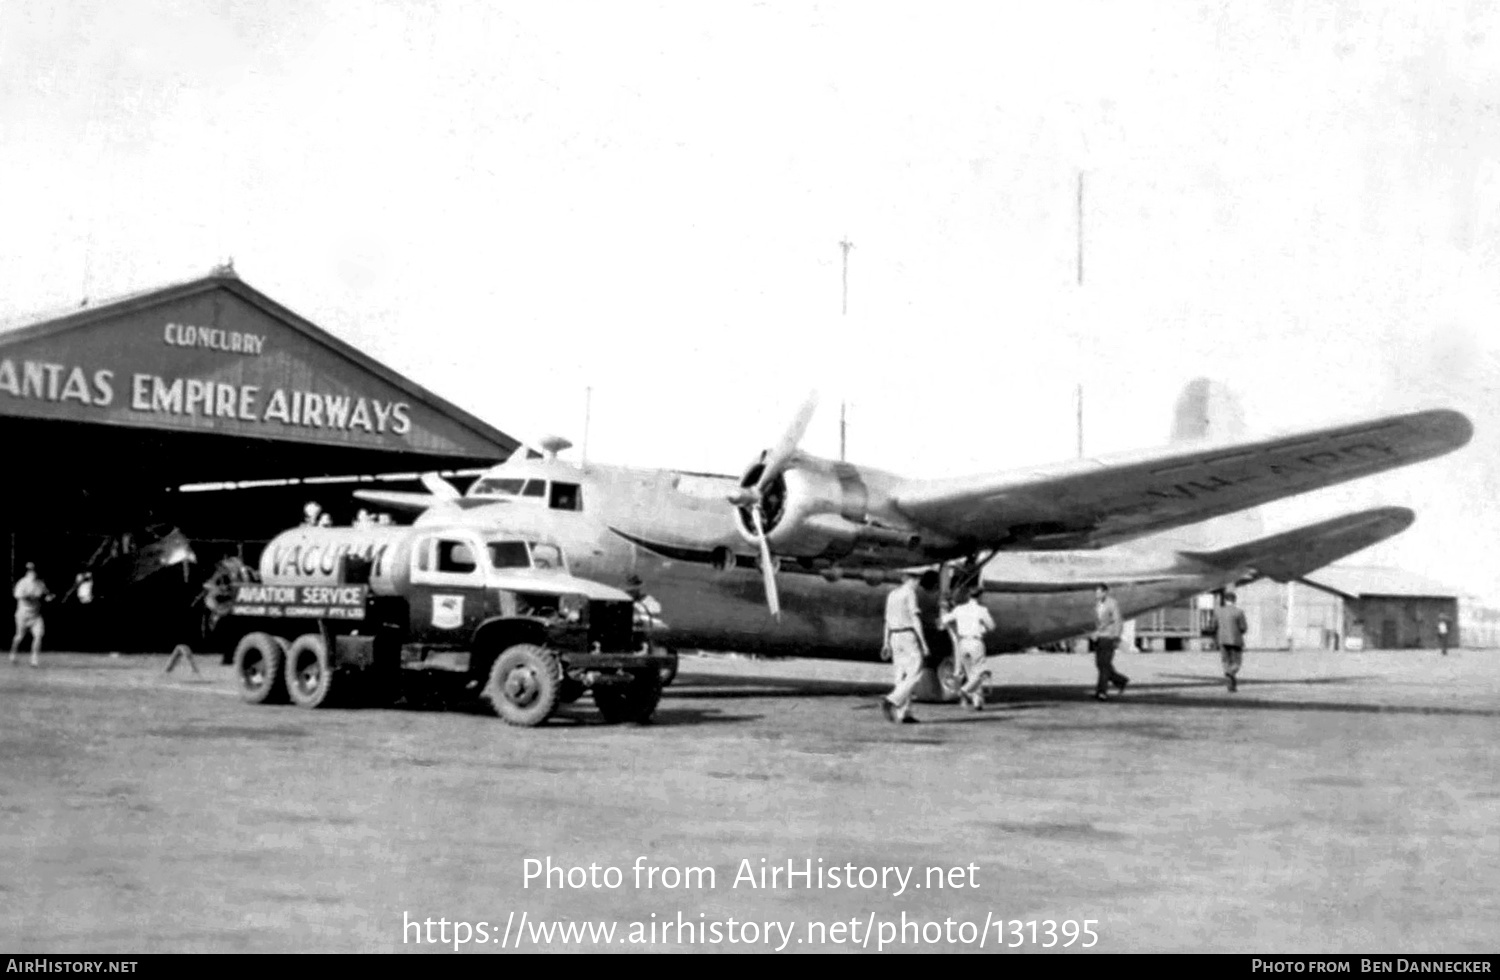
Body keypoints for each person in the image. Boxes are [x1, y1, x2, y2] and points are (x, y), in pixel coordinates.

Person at [881, 570, 929, 723]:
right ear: (912, 579)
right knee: (915, 672)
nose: (918, 583)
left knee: (900, 674)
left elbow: (887, 621)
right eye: (917, 579)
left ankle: (904, 713)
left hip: (894, 636)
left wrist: (886, 642)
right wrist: (923, 642)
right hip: (908, 635)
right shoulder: (910, 593)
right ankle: (892, 700)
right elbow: (915, 619)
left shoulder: (893, 594)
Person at [940, 587, 996, 710]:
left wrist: (945, 608)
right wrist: (983, 628)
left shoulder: (960, 609)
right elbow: (992, 626)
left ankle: (977, 701)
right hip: (975, 642)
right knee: (981, 671)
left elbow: (944, 619)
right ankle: (965, 690)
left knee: (971, 673)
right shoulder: (982, 610)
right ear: (980, 597)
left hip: (963, 642)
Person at [1092, 584, 1129, 701]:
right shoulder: (1097, 604)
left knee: (1104, 666)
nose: (1096, 595)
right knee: (1100, 664)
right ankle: (1121, 680)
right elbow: (1098, 623)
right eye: (1096, 592)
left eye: (1099, 592)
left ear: (1105, 592)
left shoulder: (1112, 604)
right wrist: (1095, 633)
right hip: (1099, 638)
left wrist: (1117, 637)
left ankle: (1102, 692)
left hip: (1109, 637)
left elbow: (1118, 621)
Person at [10, 563, 51, 667]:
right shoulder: (22, 583)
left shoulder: (40, 583)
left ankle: (34, 659)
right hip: (22, 615)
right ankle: (13, 654)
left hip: (36, 616)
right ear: (27, 572)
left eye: (34, 570)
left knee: (38, 635)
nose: (33, 572)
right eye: (30, 570)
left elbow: (46, 594)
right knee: (19, 636)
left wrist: (48, 597)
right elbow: (18, 596)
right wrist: (31, 596)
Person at [1215, 591, 1249, 691]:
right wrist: (1239, 632)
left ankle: (1231, 683)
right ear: (1235, 600)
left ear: (1225, 600)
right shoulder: (1239, 612)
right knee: (1237, 662)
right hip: (1235, 640)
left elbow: (1214, 625)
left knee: (1226, 660)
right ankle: (1230, 673)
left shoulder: (1218, 611)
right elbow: (1243, 627)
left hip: (1222, 639)